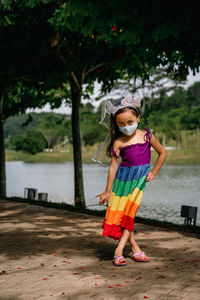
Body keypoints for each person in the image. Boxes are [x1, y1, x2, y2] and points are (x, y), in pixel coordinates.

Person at [96, 93, 167, 266]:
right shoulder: (118, 142)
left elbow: (163, 153)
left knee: (130, 213)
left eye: (129, 122)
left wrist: (154, 172)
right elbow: (113, 166)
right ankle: (135, 248)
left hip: (139, 181)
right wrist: (108, 190)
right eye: (121, 124)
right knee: (123, 214)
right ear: (116, 124)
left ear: (138, 119)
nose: (126, 126)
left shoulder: (147, 137)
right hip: (122, 181)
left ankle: (119, 250)